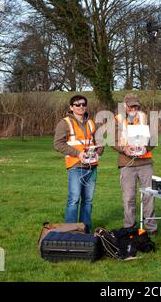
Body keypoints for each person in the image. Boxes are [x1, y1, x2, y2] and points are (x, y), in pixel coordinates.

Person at [54, 95, 104, 232]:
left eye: (83, 104)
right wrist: (78, 154)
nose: (81, 106)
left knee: (88, 201)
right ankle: (70, 230)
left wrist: (98, 153)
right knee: (74, 200)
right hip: (76, 166)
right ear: (71, 107)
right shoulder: (65, 123)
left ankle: (85, 229)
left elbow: (100, 143)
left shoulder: (92, 123)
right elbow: (57, 144)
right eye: (77, 104)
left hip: (92, 166)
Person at [112, 93, 157, 235]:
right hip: (127, 164)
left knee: (149, 196)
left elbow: (154, 140)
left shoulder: (145, 118)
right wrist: (124, 149)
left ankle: (151, 228)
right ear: (125, 106)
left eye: (136, 106)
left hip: (145, 162)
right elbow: (112, 141)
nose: (133, 108)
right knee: (129, 197)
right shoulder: (117, 120)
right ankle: (129, 227)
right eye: (130, 106)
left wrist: (146, 147)